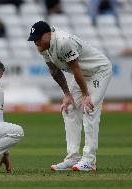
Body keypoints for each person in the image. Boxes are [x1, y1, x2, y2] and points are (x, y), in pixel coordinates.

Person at [27, 21, 112, 171]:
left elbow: (76, 68)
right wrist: (67, 94)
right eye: (34, 39)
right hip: (81, 75)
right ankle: (73, 157)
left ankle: (89, 160)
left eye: (38, 38)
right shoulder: (43, 48)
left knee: (89, 108)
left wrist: (86, 94)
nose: (36, 42)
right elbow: (54, 71)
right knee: (70, 109)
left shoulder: (63, 42)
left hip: (98, 71)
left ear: (48, 35)